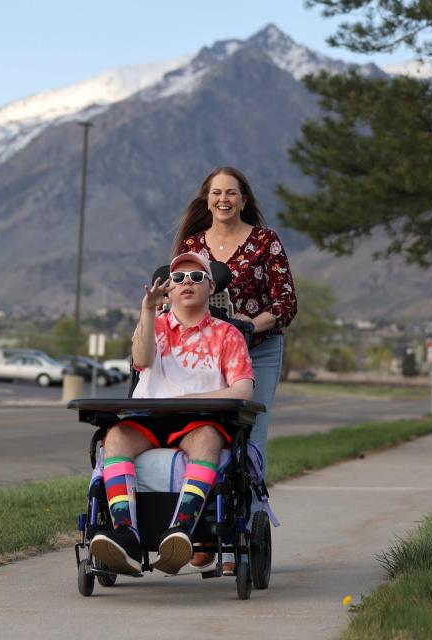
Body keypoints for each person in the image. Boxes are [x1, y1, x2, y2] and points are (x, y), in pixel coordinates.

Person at [88, 251, 254, 577]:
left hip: (200, 420)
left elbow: (243, 390)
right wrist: (148, 310)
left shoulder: (228, 335)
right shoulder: (155, 326)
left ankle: (181, 530)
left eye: (196, 277)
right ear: (169, 290)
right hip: (149, 419)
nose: (186, 283)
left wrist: (194, 398)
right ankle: (126, 533)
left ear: (210, 288)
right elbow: (142, 360)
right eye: (178, 279)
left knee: (207, 439)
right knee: (116, 436)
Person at [173, 166, 297, 468]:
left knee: (251, 430)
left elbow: (286, 302)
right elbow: (179, 295)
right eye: (216, 192)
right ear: (207, 200)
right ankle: (206, 501)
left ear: (244, 201)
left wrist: (248, 326)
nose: (223, 199)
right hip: (205, 352)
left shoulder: (266, 241)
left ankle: (252, 509)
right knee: (204, 427)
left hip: (259, 350)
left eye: (231, 192)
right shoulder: (193, 246)